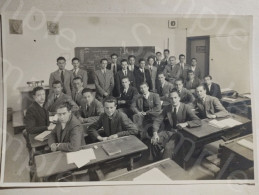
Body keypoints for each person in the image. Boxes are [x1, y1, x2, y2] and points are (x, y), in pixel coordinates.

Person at [151, 90, 201, 160]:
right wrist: (155, 133)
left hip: (181, 134)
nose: (173, 100)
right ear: (169, 99)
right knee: (154, 141)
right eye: (171, 98)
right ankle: (155, 163)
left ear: (179, 98)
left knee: (168, 148)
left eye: (175, 98)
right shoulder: (167, 107)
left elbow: (198, 121)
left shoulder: (185, 107)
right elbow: (157, 120)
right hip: (170, 132)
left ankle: (166, 167)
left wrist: (186, 123)